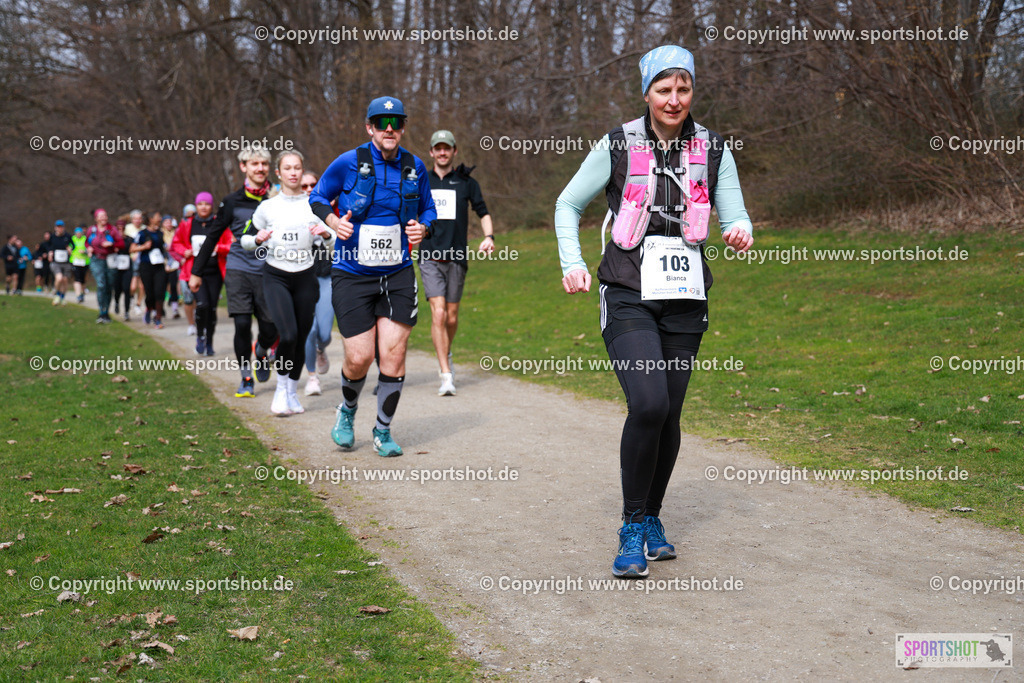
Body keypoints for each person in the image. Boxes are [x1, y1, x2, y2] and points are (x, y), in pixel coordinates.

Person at [555, 45, 754, 578]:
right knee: (648, 402)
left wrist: (740, 231)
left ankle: (652, 518)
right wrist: (572, 262)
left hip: (686, 295)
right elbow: (568, 203)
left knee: (669, 412)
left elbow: (736, 214)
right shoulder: (618, 144)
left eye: (683, 89)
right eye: (663, 89)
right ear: (646, 93)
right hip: (627, 290)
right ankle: (630, 524)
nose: (674, 99)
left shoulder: (713, 148)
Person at [310, 95, 436, 457]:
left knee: (393, 355)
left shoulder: (415, 166)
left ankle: (383, 430)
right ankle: (347, 410)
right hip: (352, 273)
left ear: (404, 128)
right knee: (360, 357)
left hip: (397, 274)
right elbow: (318, 197)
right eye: (382, 123)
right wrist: (333, 221)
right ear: (370, 128)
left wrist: (423, 228)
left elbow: (428, 209)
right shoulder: (348, 162)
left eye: (396, 123)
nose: (389, 129)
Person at [243, 151, 335, 415]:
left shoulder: (315, 206)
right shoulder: (267, 207)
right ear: (279, 173)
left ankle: (292, 393)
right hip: (276, 276)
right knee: (289, 334)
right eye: (288, 168)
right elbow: (245, 240)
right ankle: (281, 390)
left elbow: (333, 243)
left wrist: (326, 234)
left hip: (306, 277)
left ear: (302, 171)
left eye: (297, 168)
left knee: (302, 337)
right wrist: (257, 239)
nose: (293, 173)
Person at [190, 147, 279, 398]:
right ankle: (246, 377)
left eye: (264, 164)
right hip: (239, 268)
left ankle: (261, 351)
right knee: (241, 324)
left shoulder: (277, 198)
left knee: (271, 327)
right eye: (254, 164)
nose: (260, 168)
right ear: (243, 167)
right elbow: (212, 237)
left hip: (270, 270)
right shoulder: (231, 201)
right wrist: (196, 272)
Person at [420, 129, 495, 396]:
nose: (442, 152)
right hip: (429, 255)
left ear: (454, 152)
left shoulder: (466, 183)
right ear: (431, 152)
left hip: (457, 257)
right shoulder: (422, 181)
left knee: (451, 317)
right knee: (438, 313)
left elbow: (483, 211)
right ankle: (446, 374)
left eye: (447, 148)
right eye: (438, 148)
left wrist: (489, 237)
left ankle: (446, 352)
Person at [172, 193, 231, 353]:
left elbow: (231, 243)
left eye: (207, 204)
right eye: (200, 204)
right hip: (195, 273)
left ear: (211, 206)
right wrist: (184, 251)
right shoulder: (187, 224)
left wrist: (220, 248)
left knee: (212, 308)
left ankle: (209, 342)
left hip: (215, 273)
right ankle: (200, 336)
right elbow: (176, 243)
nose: (203, 207)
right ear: (196, 206)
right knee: (202, 304)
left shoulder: (219, 223)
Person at [299, 171, 335, 397]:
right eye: (304, 186)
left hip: (328, 277)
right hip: (303, 277)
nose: (309, 189)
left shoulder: (330, 209)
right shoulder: (292, 213)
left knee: (324, 333)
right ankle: (312, 377)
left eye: (313, 184)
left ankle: (321, 349)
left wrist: (327, 233)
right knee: (309, 330)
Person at [131, 211, 169, 328]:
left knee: (160, 292)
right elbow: (132, 249)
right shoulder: (142, 233)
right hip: (146, 266)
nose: (160, 218)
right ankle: (149, 308)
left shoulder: (160, 233)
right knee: (150, 293)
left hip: (159, 266)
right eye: (158, 216)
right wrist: (144, 247)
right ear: (151, 219)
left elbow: (163, 248)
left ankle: (158, 318)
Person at [85, 208, 124, 323]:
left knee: (108, 286)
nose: (104, 218)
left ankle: (106, 312)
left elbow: (121, 243)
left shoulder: (112, 229)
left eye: (105, 216)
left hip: (110, 259)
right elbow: (86, 242)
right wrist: (89, 248)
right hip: (96, 259)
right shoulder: (91, 230)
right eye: (101, 216)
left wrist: (112, 244)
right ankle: (101, 312)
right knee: (101, 284)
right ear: (96, 218)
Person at [48, 221, 73, 305]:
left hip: (66, 262)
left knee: (65, 280)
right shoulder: (52, 237)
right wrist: (50, 253)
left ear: (64, 228)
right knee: (59, 278)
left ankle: (62, 297)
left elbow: (73, 246)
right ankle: (57, 294)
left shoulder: (68, 236)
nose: (60, 229)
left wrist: (70, 249)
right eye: (58, 227)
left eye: (61, 227)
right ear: (55, 228)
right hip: (56, 262)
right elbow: (49, 247)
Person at [69, 226, 89, 303]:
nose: (78, 234)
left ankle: (82, 293)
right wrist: (69, 251)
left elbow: (89, 248)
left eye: (79, 233)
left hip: (84, 262)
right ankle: (78, 295)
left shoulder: (85, 239)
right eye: (77, 233)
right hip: (75, 261)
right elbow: (69, 247)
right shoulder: (72, 239)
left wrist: (85, 251)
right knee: (77, 279)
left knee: (83, 279)